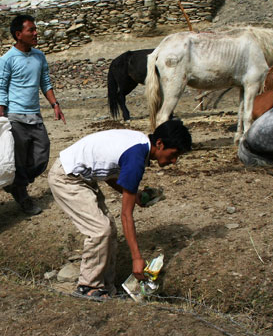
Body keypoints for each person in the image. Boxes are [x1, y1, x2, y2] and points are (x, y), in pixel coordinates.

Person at [47, 119, 192, 300]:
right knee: (100, 230)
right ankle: (87, 287)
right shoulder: (136, 158)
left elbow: (108, 171)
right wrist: (137, 258)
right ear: (160, 143)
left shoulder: (139, 143)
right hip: (66, 177)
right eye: (174, 154)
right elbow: (126, 216)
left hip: (82, 177)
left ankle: (105, 288)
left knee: (109, 229)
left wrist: (135, 195)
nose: (174, 161)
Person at [0, 14, 66, 215]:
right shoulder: (7, 59)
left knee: (42, 154)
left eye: (35, 29)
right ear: (18, 34)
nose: (36, 33)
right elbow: (1, 87)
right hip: (15, 117)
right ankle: (23, 197)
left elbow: (45, 83)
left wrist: (55, 105)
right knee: (19, 160)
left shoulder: (39, 56)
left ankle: (16, 184)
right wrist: (0, 111)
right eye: (31, 30)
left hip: (34, 115)